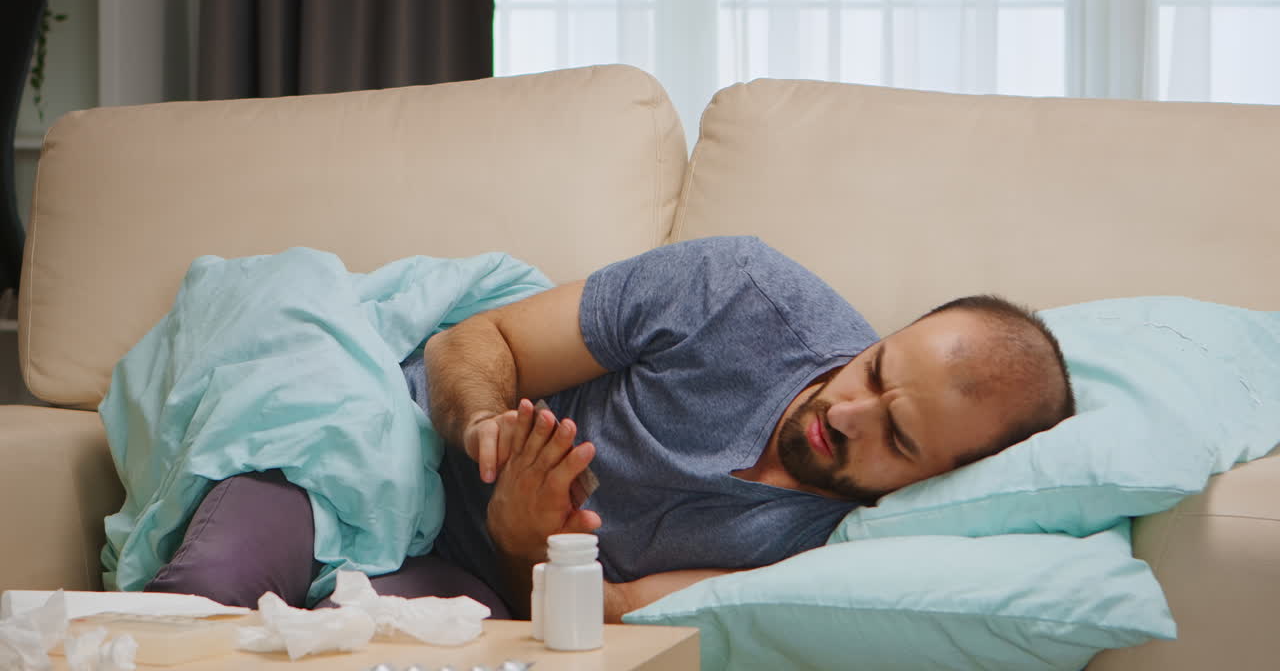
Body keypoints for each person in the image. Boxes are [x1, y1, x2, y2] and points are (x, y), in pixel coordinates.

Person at [146, 236, 1076, 622]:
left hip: (481, 581)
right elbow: (482, 338)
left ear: (940, 480)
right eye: (875, 369)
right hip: (389, 447)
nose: (843, 410)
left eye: (897, 438)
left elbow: (611, 614)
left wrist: (528, 543)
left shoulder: (833, 553)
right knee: (209, 591)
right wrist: (486, 429)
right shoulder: (742, 293)